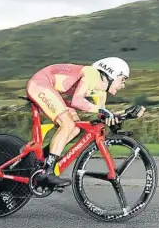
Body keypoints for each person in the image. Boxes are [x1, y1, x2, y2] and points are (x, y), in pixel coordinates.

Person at [25, 57, 145, 187]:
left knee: (75, 128)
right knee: (68, 124)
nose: (123, 85)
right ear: (112, 74)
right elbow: (77, 101)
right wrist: (104, 112)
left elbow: (103, 115)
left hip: (51, 89)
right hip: (40, 83)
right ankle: (47, 172)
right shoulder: (92, 74)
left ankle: (41, 160)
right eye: (123, 79)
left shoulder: (101, 92)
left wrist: (124, 115)